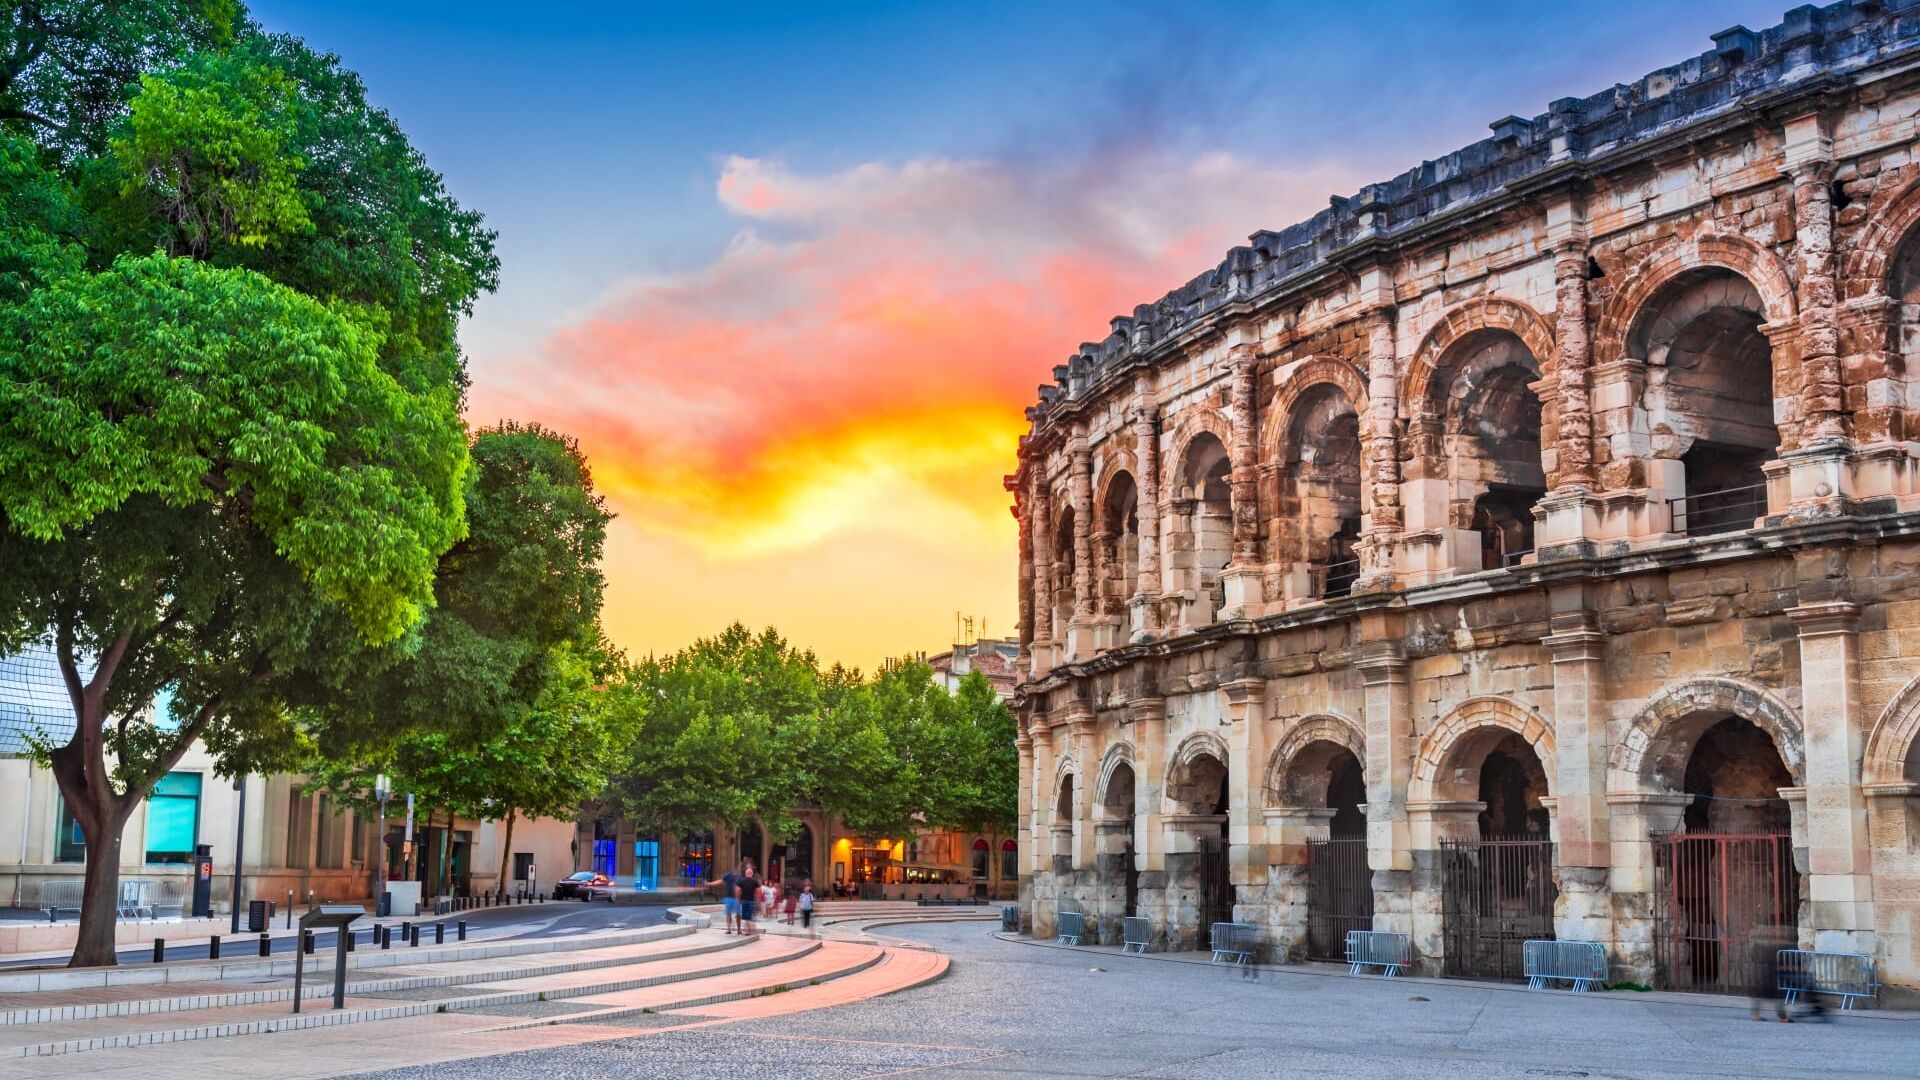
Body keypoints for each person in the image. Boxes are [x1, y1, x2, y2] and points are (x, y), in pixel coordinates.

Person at [708, 861, 742, 935]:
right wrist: (710, 884)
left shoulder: (740, 877)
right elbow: (720, 881)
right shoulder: (728, 876)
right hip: (729, 897)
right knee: (728, 913)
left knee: (738, 914)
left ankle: (739, 929)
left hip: (737, 898)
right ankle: (729, 929)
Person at [738, 862, 761, 935]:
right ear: (751, 874)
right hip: (751, 901)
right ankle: (750, 930)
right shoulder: (755, 881)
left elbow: (738, 891)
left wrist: (739, 899)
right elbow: (758, 892)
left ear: (746, 874)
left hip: (744, 901)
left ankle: (749, 931)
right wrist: (758, 902)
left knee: (746, 917)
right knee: (749, 917)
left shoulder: (742, 881)